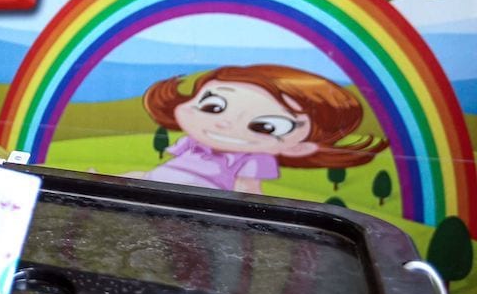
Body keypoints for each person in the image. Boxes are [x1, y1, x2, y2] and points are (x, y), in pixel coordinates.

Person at [120, 64, 388, 194]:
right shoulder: (193, 146)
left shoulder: (250, 159)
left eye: (266, 125)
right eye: (213, 106)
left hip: (196, 203)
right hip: (157, 190)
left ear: (299, 145)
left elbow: (248, 190)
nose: (224, 123)